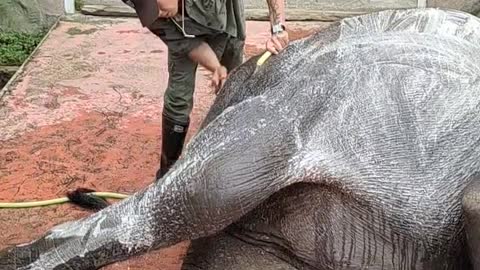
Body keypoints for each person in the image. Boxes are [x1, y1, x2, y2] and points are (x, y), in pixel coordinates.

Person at [122, 0, 290, 179]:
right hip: (185, 26)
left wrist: (278, 29)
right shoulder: (147, 8)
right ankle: (166, 174)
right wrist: (215, 66)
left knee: (234, 84)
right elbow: (184, 43)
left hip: (226, 15)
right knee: (179, 96)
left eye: (160, 10)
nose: (159, 15)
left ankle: (231, 162)